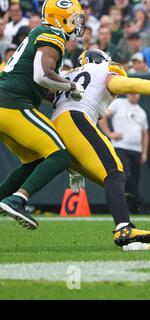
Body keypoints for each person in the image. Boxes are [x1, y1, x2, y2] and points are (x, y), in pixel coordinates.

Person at [51, 48, 150, 247]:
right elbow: (127, 84)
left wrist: (74, 168)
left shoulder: (68, 75)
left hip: (57, 126)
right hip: (76, 120)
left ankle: (129, 238)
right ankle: (124, 228)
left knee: (111, 178)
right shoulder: (102, 70)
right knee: (115, 173)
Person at [0, 0, 85, 230]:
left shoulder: (42, 33)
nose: (78, 23)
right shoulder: (53, 33)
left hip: (7, 104)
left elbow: (40, 84)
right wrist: (71, 87)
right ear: (60, 18)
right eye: (74, 18)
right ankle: (18, 199)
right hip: (12, 104)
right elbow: (41, 76)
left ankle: (8, 197)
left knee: (35, 160)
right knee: (60, 155)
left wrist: (62, 92)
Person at [99, 94, 149, 214]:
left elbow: (145, 134)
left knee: (134, 180)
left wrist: (144, 153)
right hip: (120, 147)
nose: (133, 95)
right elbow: (103, 116)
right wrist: (109, 133)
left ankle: (133, 208)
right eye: (131, 92)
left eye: (136, 92)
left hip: (136, 150)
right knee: (125, 176)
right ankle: (122, 206)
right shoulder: (118, 103)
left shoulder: (141, 111)